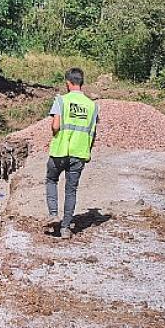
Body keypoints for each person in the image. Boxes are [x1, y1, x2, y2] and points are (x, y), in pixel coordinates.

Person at [46, 68, 99, 238]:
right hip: (79, 153)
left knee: (51, 179)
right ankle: (65, 228)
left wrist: (55, 133)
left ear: (68, 83)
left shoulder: (61, 101)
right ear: (81, 82)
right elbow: (93, 132)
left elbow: (55, 126)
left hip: (60, 150)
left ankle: (53, 213)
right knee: (71, 190)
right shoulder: (92, 106)